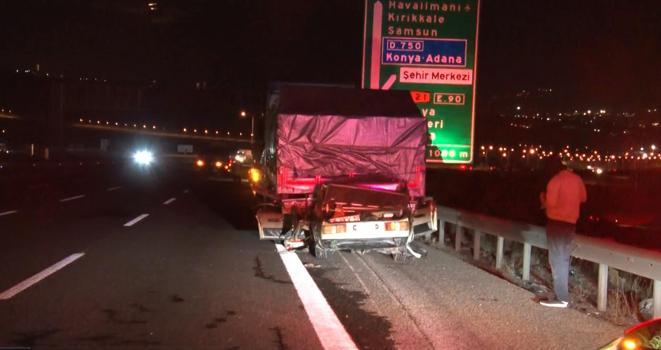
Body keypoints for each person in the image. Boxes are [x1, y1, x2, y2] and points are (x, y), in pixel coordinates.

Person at [538, 157, 587, 308]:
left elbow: (550, 204)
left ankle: (561, 299)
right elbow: (583, 198)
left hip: (556, 225)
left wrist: (543, 200)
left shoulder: (554, 181)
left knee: (557, 260)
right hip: (571, 225)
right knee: (564, 260)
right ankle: (563, 295)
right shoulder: (577, 179)